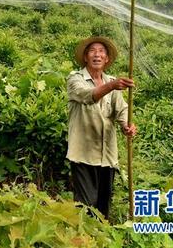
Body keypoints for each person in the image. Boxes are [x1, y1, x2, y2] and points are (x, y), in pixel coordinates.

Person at [66, 36, 138, 219]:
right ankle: (82, 241)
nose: (97, 55)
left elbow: (121, 110)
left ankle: (100, 239)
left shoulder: (112, 81)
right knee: (85, 204)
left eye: (101, 52)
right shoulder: (76, 79)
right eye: (92, 51)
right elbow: (87, 95)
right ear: (85, 57)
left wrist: (127, 126)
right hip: (83, 152)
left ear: (107, 59)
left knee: (103, 204)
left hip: (107, 155)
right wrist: (111, 85)